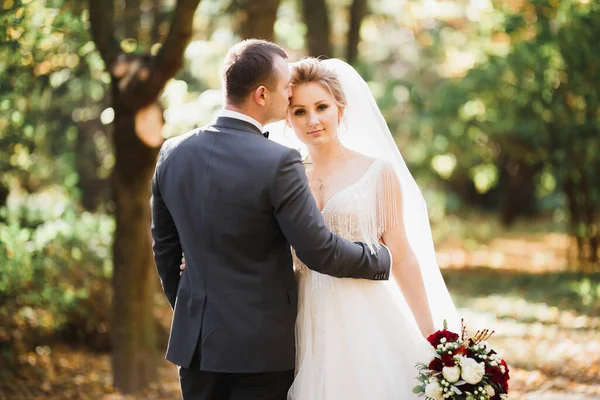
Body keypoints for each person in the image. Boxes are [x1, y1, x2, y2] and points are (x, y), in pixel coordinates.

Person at [151, 40, 393, 400]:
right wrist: (379, 258)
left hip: (196, 348)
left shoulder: (172, 152)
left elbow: (166, 251)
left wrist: (193, 311)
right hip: (261, 350)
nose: (290, 94)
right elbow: (318, 251)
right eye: (286, 89)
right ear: (262, 94)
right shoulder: (278, 161)